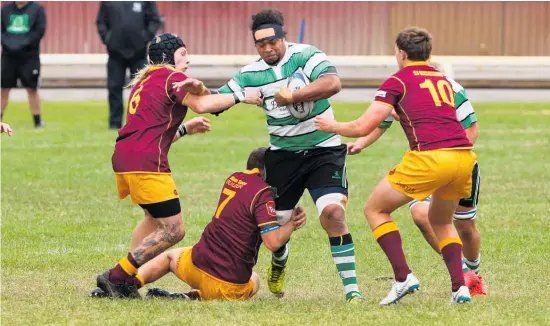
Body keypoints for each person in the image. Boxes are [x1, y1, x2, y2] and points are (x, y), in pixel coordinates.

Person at [183, 8, 363, 303]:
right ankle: (279, 263)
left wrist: (293, 95)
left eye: (272, 41)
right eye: (260, 44)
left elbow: (333, 83)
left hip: (324, 149)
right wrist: (198, 90)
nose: (267, 48)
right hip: (283, 156)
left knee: (333, 213)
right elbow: (214, 103)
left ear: (283, 36)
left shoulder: (307, 55)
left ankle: (352, 289)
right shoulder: (250, 74)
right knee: (276, 226)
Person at [315, 27, 477, 305]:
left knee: (375, 209)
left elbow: (362, 125)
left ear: (401, 52)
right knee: (441, 221)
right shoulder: (445, 81)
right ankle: (460, 288)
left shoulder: (397, 81)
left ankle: (403, 278)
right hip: (463, 158)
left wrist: (332, 126)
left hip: (430, 158)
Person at [94, 33, 263, 298]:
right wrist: (243, 95)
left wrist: (184, 129)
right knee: (174, 230)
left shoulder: (148, 80)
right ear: (169, 56)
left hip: (125, 157)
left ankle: (127, 279)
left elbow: (151, 130)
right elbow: (204, 104)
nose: (188, 59)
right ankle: (116, 277)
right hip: (146, 163)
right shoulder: (171, 76)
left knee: (153, 219)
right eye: (183, 53)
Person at [94, 148, 307, 300]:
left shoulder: (233, 178)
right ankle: (191, 297)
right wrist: (292, 224)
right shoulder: (264, 192)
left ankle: (131, 284)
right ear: (266, 171)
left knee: (169, 257)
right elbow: (272, 242)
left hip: (197, 263)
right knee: (255, 279)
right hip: (228, 286)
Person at [347, 79, 486, 296]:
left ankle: (475, 275)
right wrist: (361, 143)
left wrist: (454, 156)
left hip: (460, 164)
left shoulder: (452, 88)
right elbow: (382, 120)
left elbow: (472, 129)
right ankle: (464, 273)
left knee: (466, 228)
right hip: (426, 165)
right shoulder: (402, 85)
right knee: (422, 215)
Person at [96, 1, 162, 129]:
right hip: (115, 53)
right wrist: (107, 38)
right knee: (114, 88)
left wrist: (145, 37)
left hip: (138, 52)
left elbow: (154, 20)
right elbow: (101, 22)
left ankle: (141, 122)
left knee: (142, 89)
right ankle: (115, 123)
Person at [1, 1, 46, 128]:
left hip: (29, 56)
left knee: (32, 89)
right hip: (8, 56)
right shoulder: (5, 10)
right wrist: (9, 43)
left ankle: (37, 122)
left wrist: (22, 43)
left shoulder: (37, 10)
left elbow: (39, 31)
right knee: (3, 89)